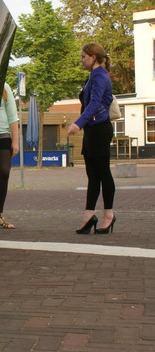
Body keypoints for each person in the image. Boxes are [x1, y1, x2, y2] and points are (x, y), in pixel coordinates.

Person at [68, 43, 116, 234]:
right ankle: (89, 215)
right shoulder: (92, 77)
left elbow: (95, 103)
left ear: (93, 57)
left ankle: (109, 215)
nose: (81, 60)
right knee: (93, 175)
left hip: (99, 130)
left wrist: (78, 123)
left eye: (83, 57)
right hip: (92, 130)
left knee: (103, 173)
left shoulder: (100, 76)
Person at [0, 82, 19, 229]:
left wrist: (16, 142)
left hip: (3, 136)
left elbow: (13, 116)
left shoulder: (4, 87)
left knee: (2, 171)